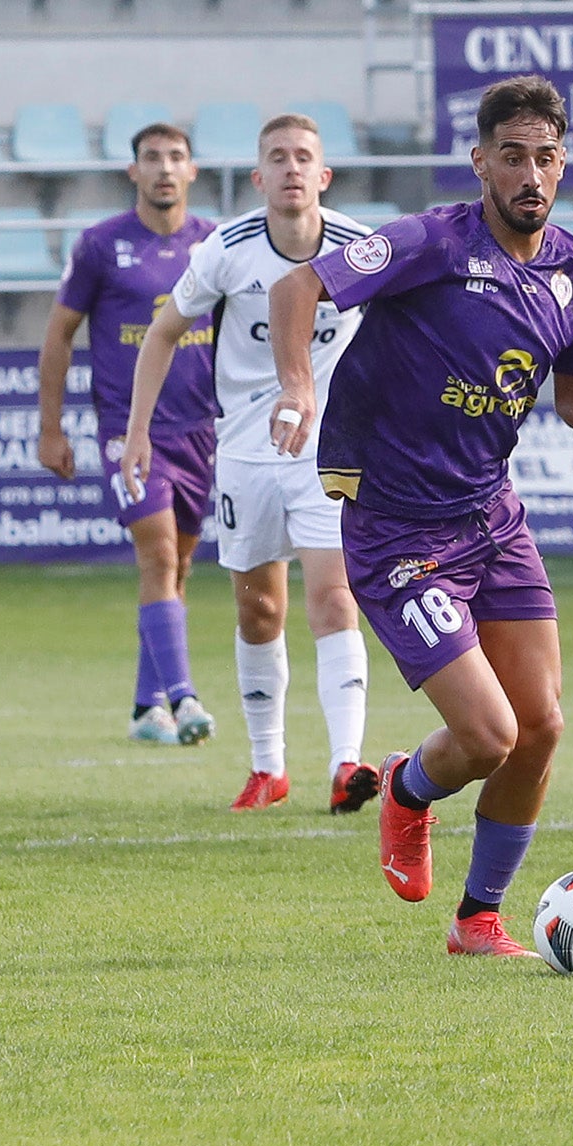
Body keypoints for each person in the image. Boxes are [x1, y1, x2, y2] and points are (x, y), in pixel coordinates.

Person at [266, 74, 573, 957]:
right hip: (395, 529)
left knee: (539, 726)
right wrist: (299, 386)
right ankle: (408, 791)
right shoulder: (427, 243)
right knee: (489, 735)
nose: (530, 175)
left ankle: (478, 921)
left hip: (490, 518)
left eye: (545, 157)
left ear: (562, 163)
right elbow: (298, 291)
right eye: (512, 158)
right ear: (481, 163)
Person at [121, 113, 376, 815]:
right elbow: (164, 333)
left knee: (334, 597)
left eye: (304, 158)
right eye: (277, 158)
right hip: (243, 448)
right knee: (259, 608)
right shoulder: (226, 249)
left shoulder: (360, 248)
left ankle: (346, 763)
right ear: (259, 178)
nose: (291, 168)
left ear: (323, 176)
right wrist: (137, 431)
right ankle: (269, 767)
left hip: (331, 448)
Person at [38, 122, 217, 746]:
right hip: (128, 430)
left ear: (192, 171)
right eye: (151, 158)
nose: (165, 168)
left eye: (176, 158)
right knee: (159, 555)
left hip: (200, 431)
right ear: (132, 172)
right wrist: (50, 428)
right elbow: (58, 335)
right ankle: (185, 697)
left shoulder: (215, 245)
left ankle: (146, 708)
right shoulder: (99, 245)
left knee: (180, 566)